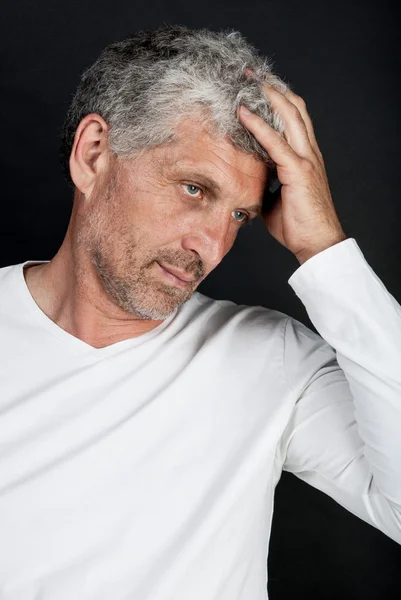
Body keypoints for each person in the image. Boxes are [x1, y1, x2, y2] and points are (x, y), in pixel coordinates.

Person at [0, 24, 400, 600]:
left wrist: (325, 250)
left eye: (239, 216)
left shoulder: (272, 362)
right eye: (194, 189)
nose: (211, 246)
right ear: (93, 156)